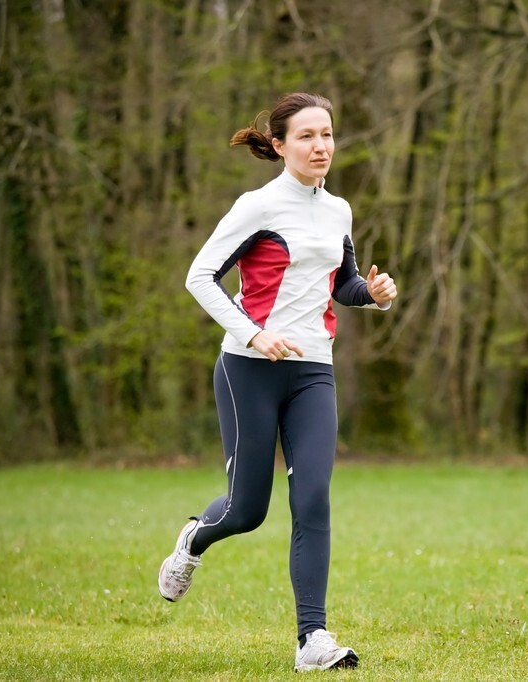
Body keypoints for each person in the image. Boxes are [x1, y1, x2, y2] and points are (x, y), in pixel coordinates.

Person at [158, 92, 397, 673]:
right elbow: (200, 276)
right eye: (308, 136)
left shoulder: (338, 209)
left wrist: (373, 293)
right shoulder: (256, 206)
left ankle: (311, 640)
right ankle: (193, 539)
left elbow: (340, 284)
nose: (322, 146)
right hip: (249, 369)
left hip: (315, 369)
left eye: (329, 134)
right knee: (247, 509)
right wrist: (253, 335)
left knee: (312, 497)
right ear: (282, 144)